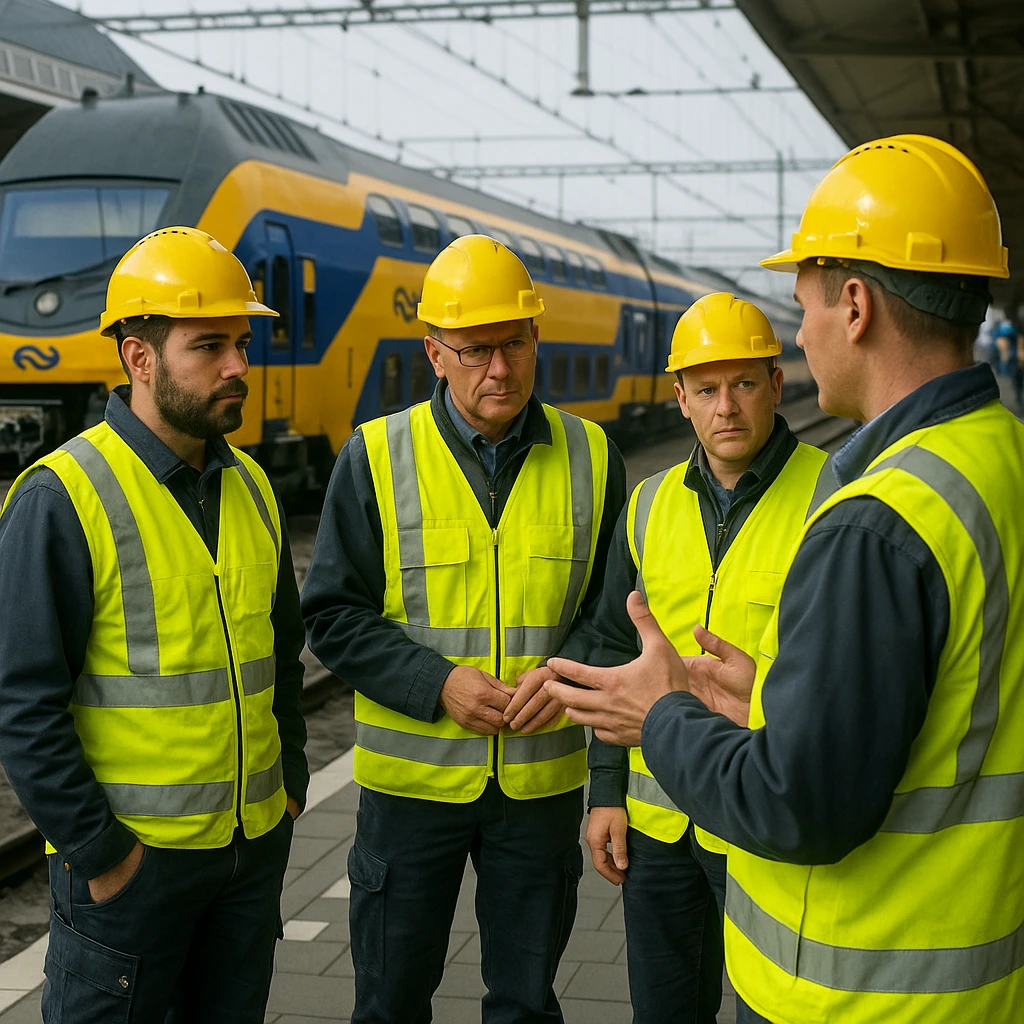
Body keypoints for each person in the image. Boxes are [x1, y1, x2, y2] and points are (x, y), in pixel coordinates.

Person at [543, 135, 1024, 1024]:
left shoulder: (873, 521)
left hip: (867, 984)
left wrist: (662, 714)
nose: (800, 334)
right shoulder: (1001, 457)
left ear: (855, 305)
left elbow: (796, 805)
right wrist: (773, 700)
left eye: (802, 306)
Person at [302, 234, 626, 1023]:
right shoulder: (375, 456)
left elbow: (614, 616)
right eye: (475, 350)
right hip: (411, 792)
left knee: (525, 1003)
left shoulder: (593, 456)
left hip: (540, 788)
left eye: (514, 344)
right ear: (435, 355)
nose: (500, 369)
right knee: (389, 1002)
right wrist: (437, 682)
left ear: (536, 337)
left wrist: (563, 677)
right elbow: (333, 615)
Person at [0, 227, 309, 1023]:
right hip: (133, 874)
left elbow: (281, 658)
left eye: (242, 344)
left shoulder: (253, 488)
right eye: (209, 346)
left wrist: (290, 790)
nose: (239, 366)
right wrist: (103, 855)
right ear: (139, 358)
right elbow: (21, 704)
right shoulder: (62, 497)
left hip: (247, 859)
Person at [561, 293, 828, 1023]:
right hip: (659, 826)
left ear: (777, 385)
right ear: (680, 399)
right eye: (706, 390)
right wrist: (607, 792)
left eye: (743, 384)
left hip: (762, 816)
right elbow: (615, 653)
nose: (726, 407)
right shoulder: (647, 506)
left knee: (768, 1008)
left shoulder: (833, 497)